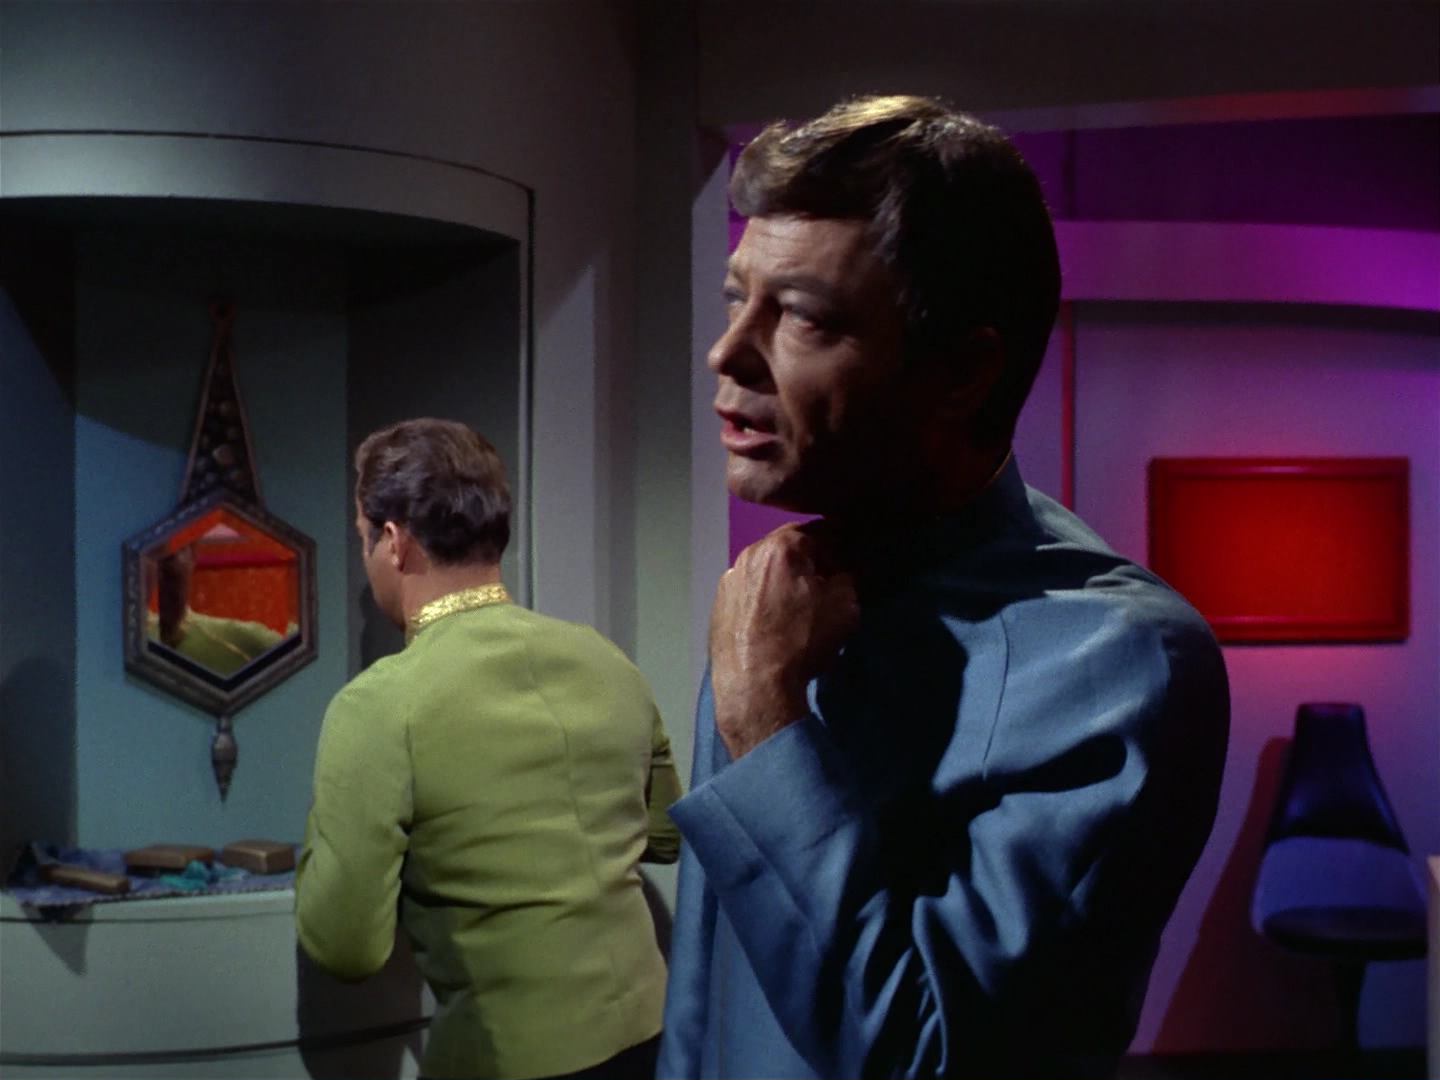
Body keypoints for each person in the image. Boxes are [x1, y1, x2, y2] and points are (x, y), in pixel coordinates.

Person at [658, 95, 1230, 1079]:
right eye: (735, 298)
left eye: (802, 315)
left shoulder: (1123, 663)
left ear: (961, 374)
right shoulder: (778, 609)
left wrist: (768, 724)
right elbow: (708, 1000)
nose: (728, 352)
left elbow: (930, 1057)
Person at [296, 418, 682, 1080]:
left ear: (394, 541)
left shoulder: (379, 705)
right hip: (650, 1038)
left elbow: (345, 945)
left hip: (506, 1059)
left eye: (363, 538)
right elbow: (666, 836)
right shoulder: (605, 660)